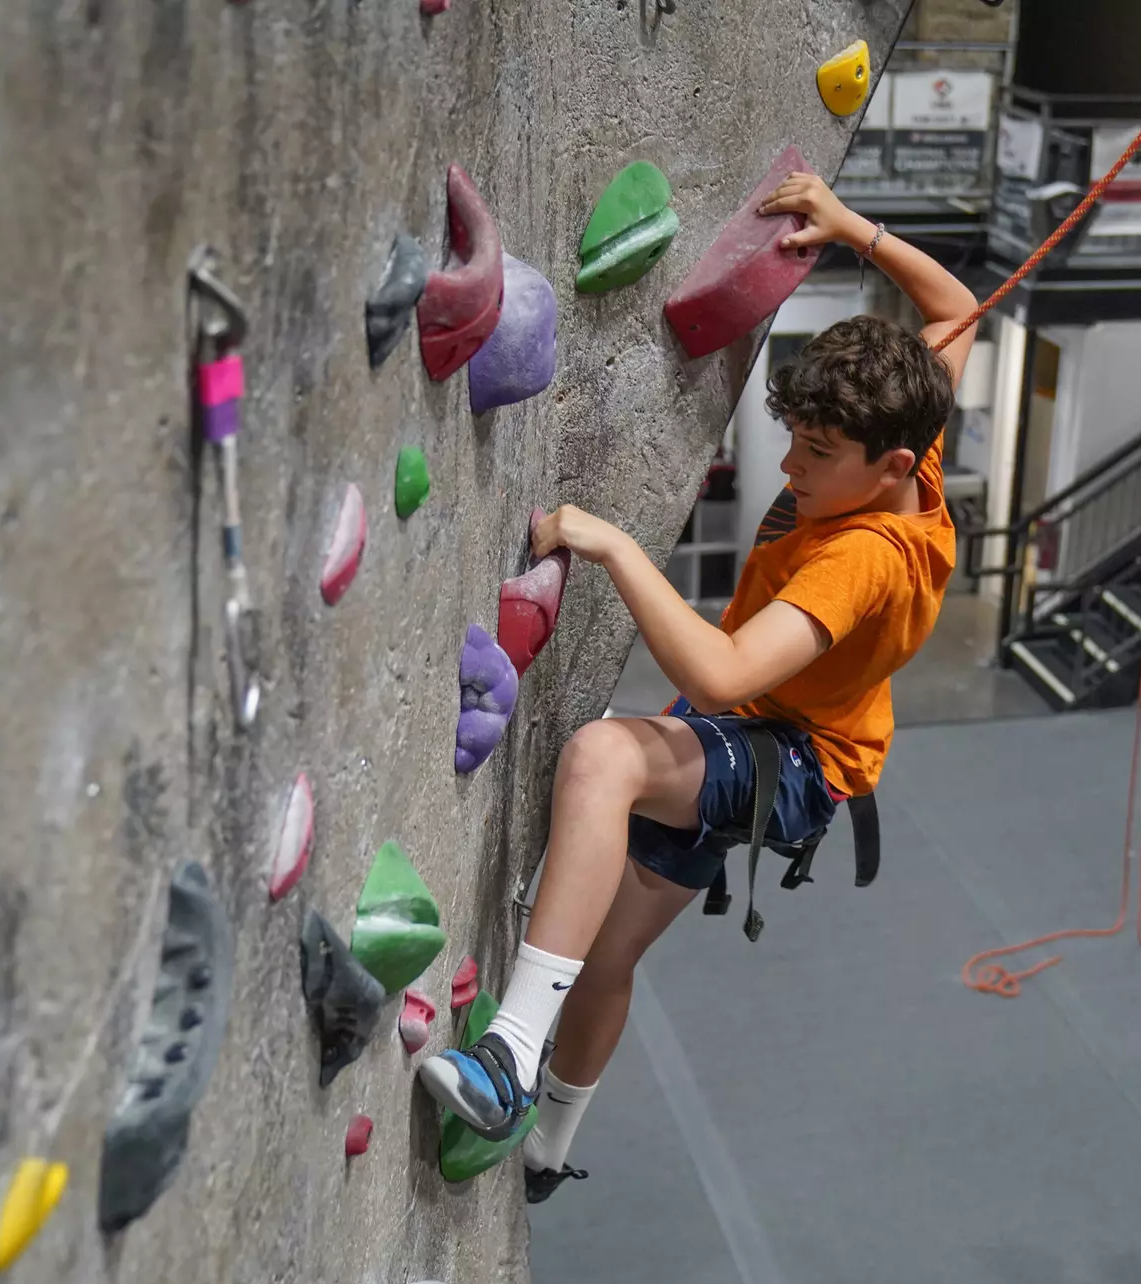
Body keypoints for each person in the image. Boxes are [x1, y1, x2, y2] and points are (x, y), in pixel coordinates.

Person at [415, 171, 977, 1203]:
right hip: (779, 732)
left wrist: (615, 546)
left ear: (893, 464)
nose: (793, 467)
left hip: (789, 756)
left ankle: (507, 1063)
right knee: (604, 947)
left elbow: (718, 673)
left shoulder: (866, 559)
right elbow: (958, 308)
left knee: (604, 757)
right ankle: (547, 1150)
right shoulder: (916, 455)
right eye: (795, 439)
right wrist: (852, 228)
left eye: (818, 453)